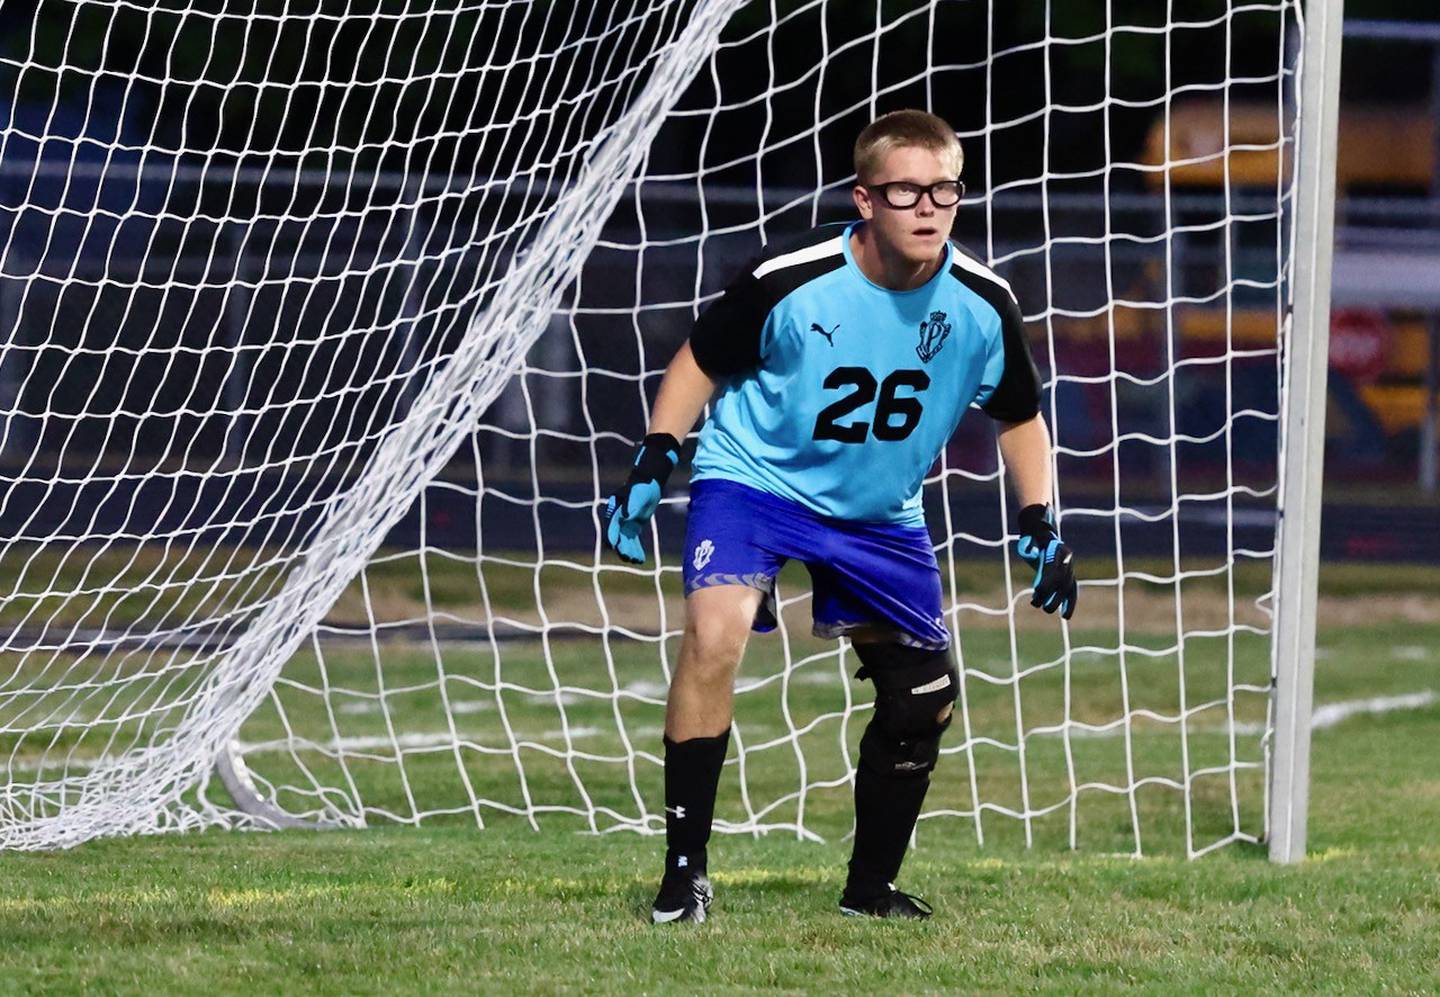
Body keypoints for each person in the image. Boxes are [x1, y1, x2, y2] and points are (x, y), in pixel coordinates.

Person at [602, 109, 1077, 923]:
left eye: (944, 190)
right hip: (755, 483)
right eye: (906, 191)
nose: (927, 208)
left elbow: (1020, 415)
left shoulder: (983, 303)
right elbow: (699, 360)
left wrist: (1039, 517)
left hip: (876, 514)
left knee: (924, 696)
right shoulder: (790, 276)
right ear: (864, 199)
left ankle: (869, 891)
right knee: (715, 633)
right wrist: (656, 455)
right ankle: (684, 874)